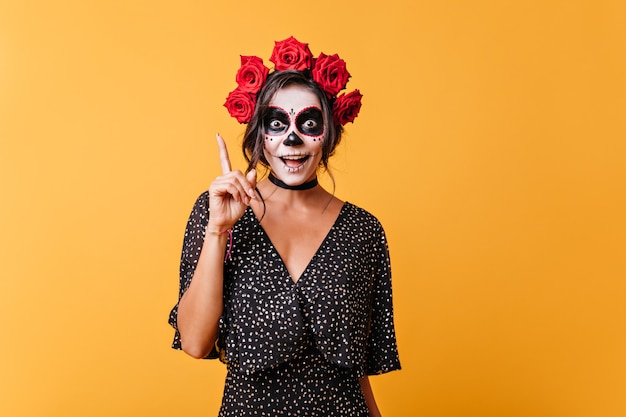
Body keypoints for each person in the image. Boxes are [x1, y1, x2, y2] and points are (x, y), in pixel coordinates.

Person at [168, 36, 400, 417]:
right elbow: (194, 342)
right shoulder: (217, 213)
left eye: (308, 123)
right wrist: (217, 231)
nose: (291, 139)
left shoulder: (364, 231)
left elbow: (355, 369)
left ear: (330, 132)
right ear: (259, 132)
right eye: (277, 123)